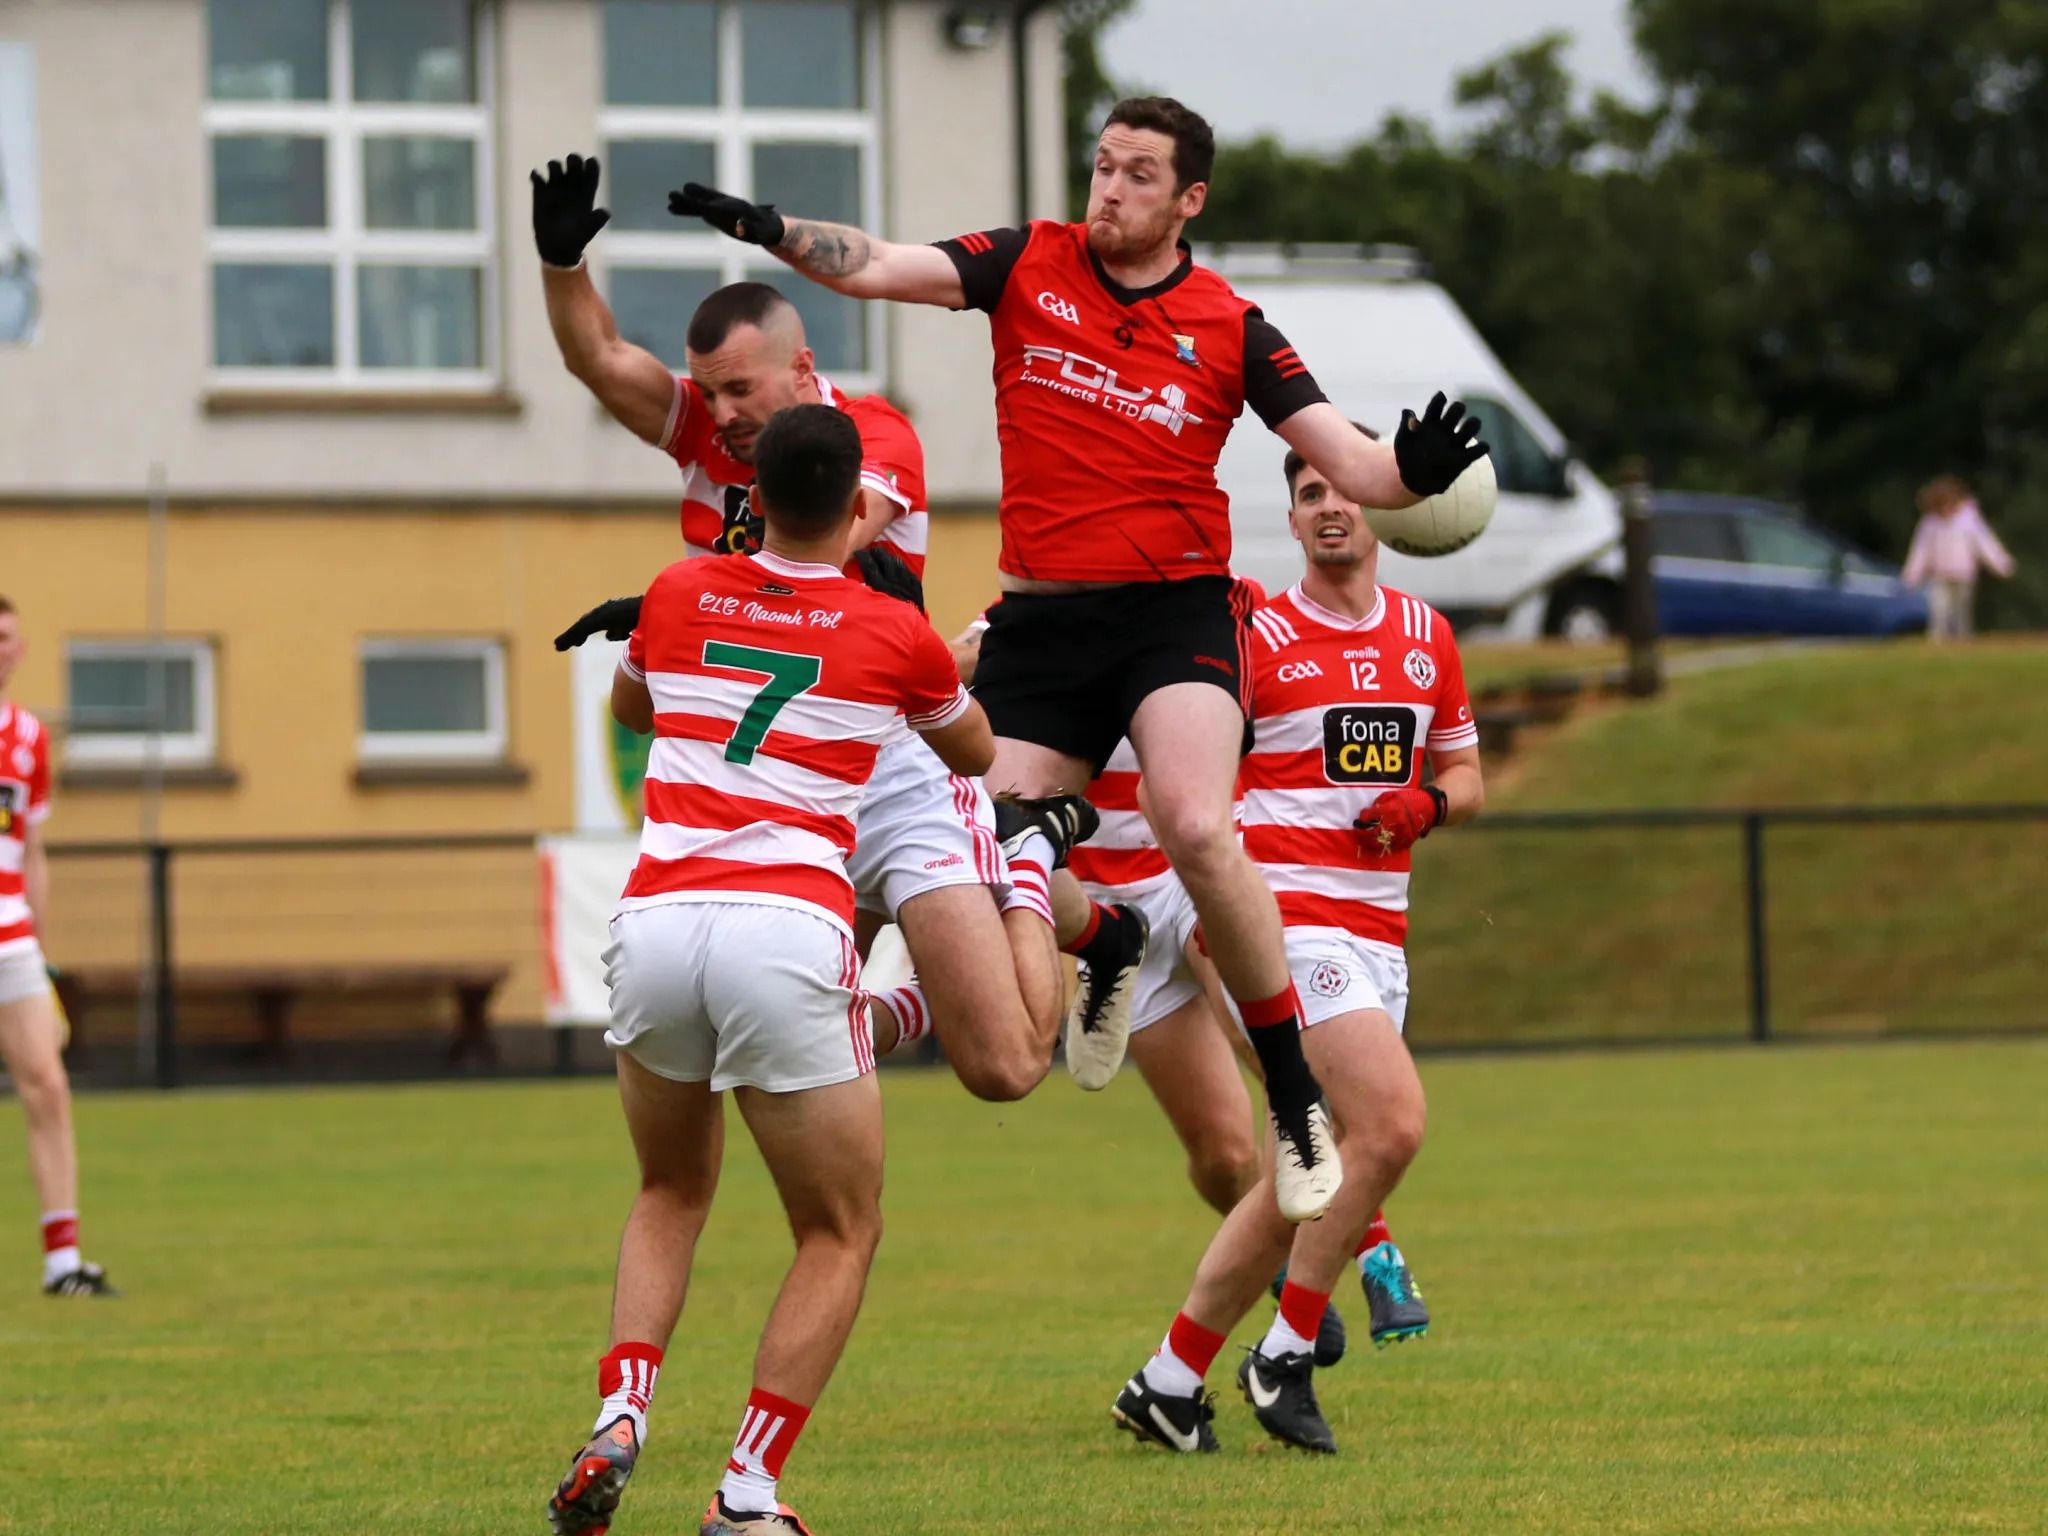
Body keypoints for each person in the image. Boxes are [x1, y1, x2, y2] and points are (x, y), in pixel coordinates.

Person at [667, 95, 1490, 1222]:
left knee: (1194, 822)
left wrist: (1414, 469)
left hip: (1173, 614)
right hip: (1043, 619)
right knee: (984, 837)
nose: (1109, 190)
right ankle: (1104, 937)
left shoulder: (1228, 325)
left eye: (1138, 175)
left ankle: (1293, 1089)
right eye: (1102, 168)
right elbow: (873, 267)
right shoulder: (1026, 265)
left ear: (1187, 199)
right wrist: (769, 228)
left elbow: (1355, 461)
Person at [532, 155, 1101, 1103]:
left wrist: (671, 604)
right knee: (755, 1043)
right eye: (708, 394)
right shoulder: (709, 436)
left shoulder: (871, 436)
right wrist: (561, 269)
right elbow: (601, 359)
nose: (721, 416)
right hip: (771, 780)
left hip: (886, 766)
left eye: (740, 391)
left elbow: (824, 554)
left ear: (801, 367)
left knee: (1004, 1067)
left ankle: (1030, 855)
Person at [545, 405, 994, 1536]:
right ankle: (745, 1495)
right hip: (783, 926)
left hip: (653, 923)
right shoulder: (891, 628)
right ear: (856, 507)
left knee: (669, 1190)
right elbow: (973, 750)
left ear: (748, 502)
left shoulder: (677, 590)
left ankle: (622, 1413)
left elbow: (634, 703)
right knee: (838, 1230)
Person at [1109, 426, 1481, 1455]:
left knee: (1295, 1183)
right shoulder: (1253, 638)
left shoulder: (1425, 634)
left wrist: (1424, 808)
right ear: (1292, 519)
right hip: (1286, 923)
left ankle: (1167, 1381)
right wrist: (1211, 928)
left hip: (1378, 937)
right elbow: (1187, 793)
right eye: (1309, 490)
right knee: (1392, 1125)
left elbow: (1467, 779)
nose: (1329, 505)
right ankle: (1283, 1355)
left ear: (1379, 510)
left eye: (1344, 490)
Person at [0, 597, 116, 1297]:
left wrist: (41, 945)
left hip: (10, 934)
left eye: (8, 636)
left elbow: (32, 848)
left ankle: (63, 1262)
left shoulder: (30, 738)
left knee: (47, 1084)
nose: (0, 647)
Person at [1903, 476, 2016, 641]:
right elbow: (1920, 551)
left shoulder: (1968, 519)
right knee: (1939, 610)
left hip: (1963, 574)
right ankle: (1937, 643)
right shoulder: (1929, 523)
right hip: (1940, 575)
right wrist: (1911, 576)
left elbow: (1985, 543)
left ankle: (1963, 643)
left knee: (1961, 612)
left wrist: (2001, 564)